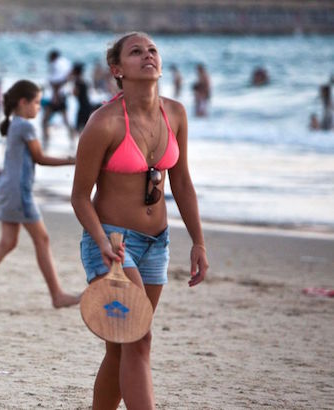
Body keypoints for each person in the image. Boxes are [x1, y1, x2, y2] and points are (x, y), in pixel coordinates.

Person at [71, 32, 209, 409]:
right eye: (136, 52)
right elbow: (80, 196)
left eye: (152, 50)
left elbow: (181, 182)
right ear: (117, 69)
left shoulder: (176, 113)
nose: (147, 55)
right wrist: (100, 241)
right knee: (139, 338)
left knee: (120, 347)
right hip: (113, 244)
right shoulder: (104, 123)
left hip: (156, 244)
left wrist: (198, 242)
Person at [0, 80, 81, 309]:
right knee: (41, 239)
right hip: (18, 192)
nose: (38, 107)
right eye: (36, 103)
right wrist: (73, 161)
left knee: (8, 242)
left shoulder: (16, 123)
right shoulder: (25, 126)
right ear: (23, 102)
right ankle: (57, 295)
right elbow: (40, 158)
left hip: (8, 188)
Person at [42, 50, 75, 147]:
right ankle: (73, 142)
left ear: (52, 57)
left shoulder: (55, 64)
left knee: (45, 120)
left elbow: (55, 82)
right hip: (62, 96)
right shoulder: (66, 63)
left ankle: (46, 142)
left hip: (56, 97)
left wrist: (55, 95)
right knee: (66, 120)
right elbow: (68, 77)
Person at [71, 62, 97, 135]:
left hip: (83, 107)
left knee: (79, 128)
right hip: (86, 105)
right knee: (86, 127)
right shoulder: (84, 80)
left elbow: (75, 93)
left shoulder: (77, 81)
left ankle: (80, 143)